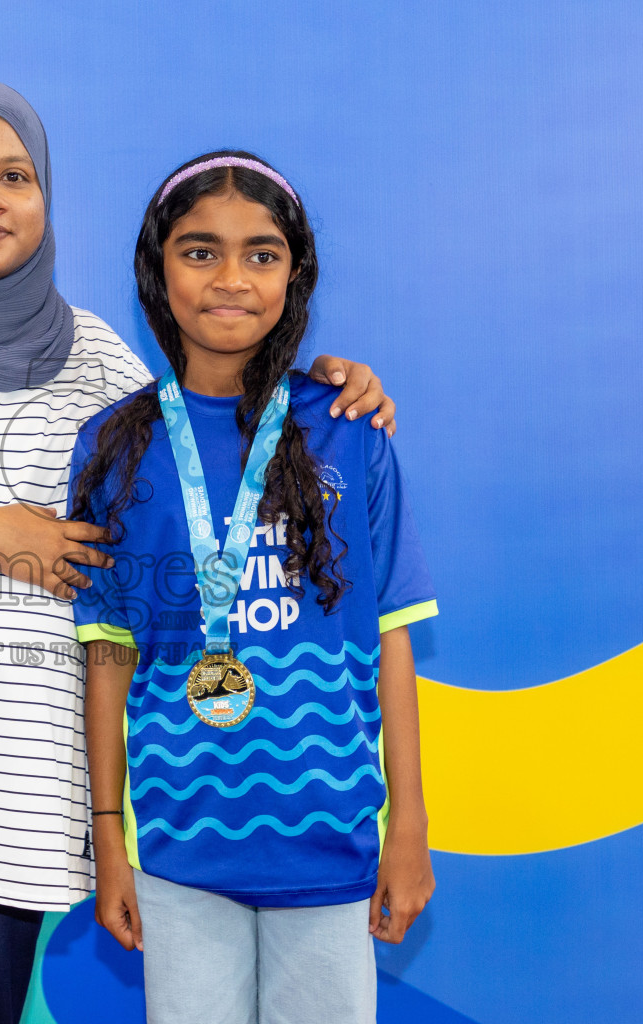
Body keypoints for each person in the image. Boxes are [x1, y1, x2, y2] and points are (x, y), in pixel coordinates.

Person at [0, 80, 397, 1024]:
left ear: (45, 197)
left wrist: (329, 382)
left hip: (12, 810)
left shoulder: (99, 363)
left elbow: (203, 453)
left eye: (14, 175)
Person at [70, 150, 438, 1024]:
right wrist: (109, 839)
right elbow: (107, 659)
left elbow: (390, 639)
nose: (231, 278)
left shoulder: (349, 429)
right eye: (199, 251)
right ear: (156, 269)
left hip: (331, 841)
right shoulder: (115, 447)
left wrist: (411, 828)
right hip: (179, 845)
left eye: (261, 254)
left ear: (296, 274)